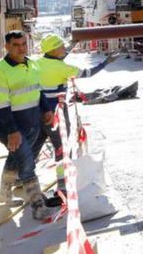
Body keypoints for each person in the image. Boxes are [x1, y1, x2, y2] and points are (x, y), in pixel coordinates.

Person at [33, 34, 116, 193]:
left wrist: (72, 44)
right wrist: (105, 62)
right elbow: (87, 73)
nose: (64, 49)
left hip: (38, 111)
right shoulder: (62, 68)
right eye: (62, 47)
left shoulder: (38, 62)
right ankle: (62, 185)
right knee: (61, 148)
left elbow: (57, 58)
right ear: (54, 50)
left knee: (36, 144)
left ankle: (22, 179)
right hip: (56, 113)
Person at [0, 31, 55, 220]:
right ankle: (38, 205)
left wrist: (46, 109)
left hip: (31, 120)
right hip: (10, 125)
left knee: (16, 158)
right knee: (26, 164)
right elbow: (0, 105)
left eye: (23, 43)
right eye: (16, 45)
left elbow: (37, 90)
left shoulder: (31, 64)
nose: (21, 48)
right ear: (6, 47)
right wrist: (12, 131)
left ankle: (4, 195)